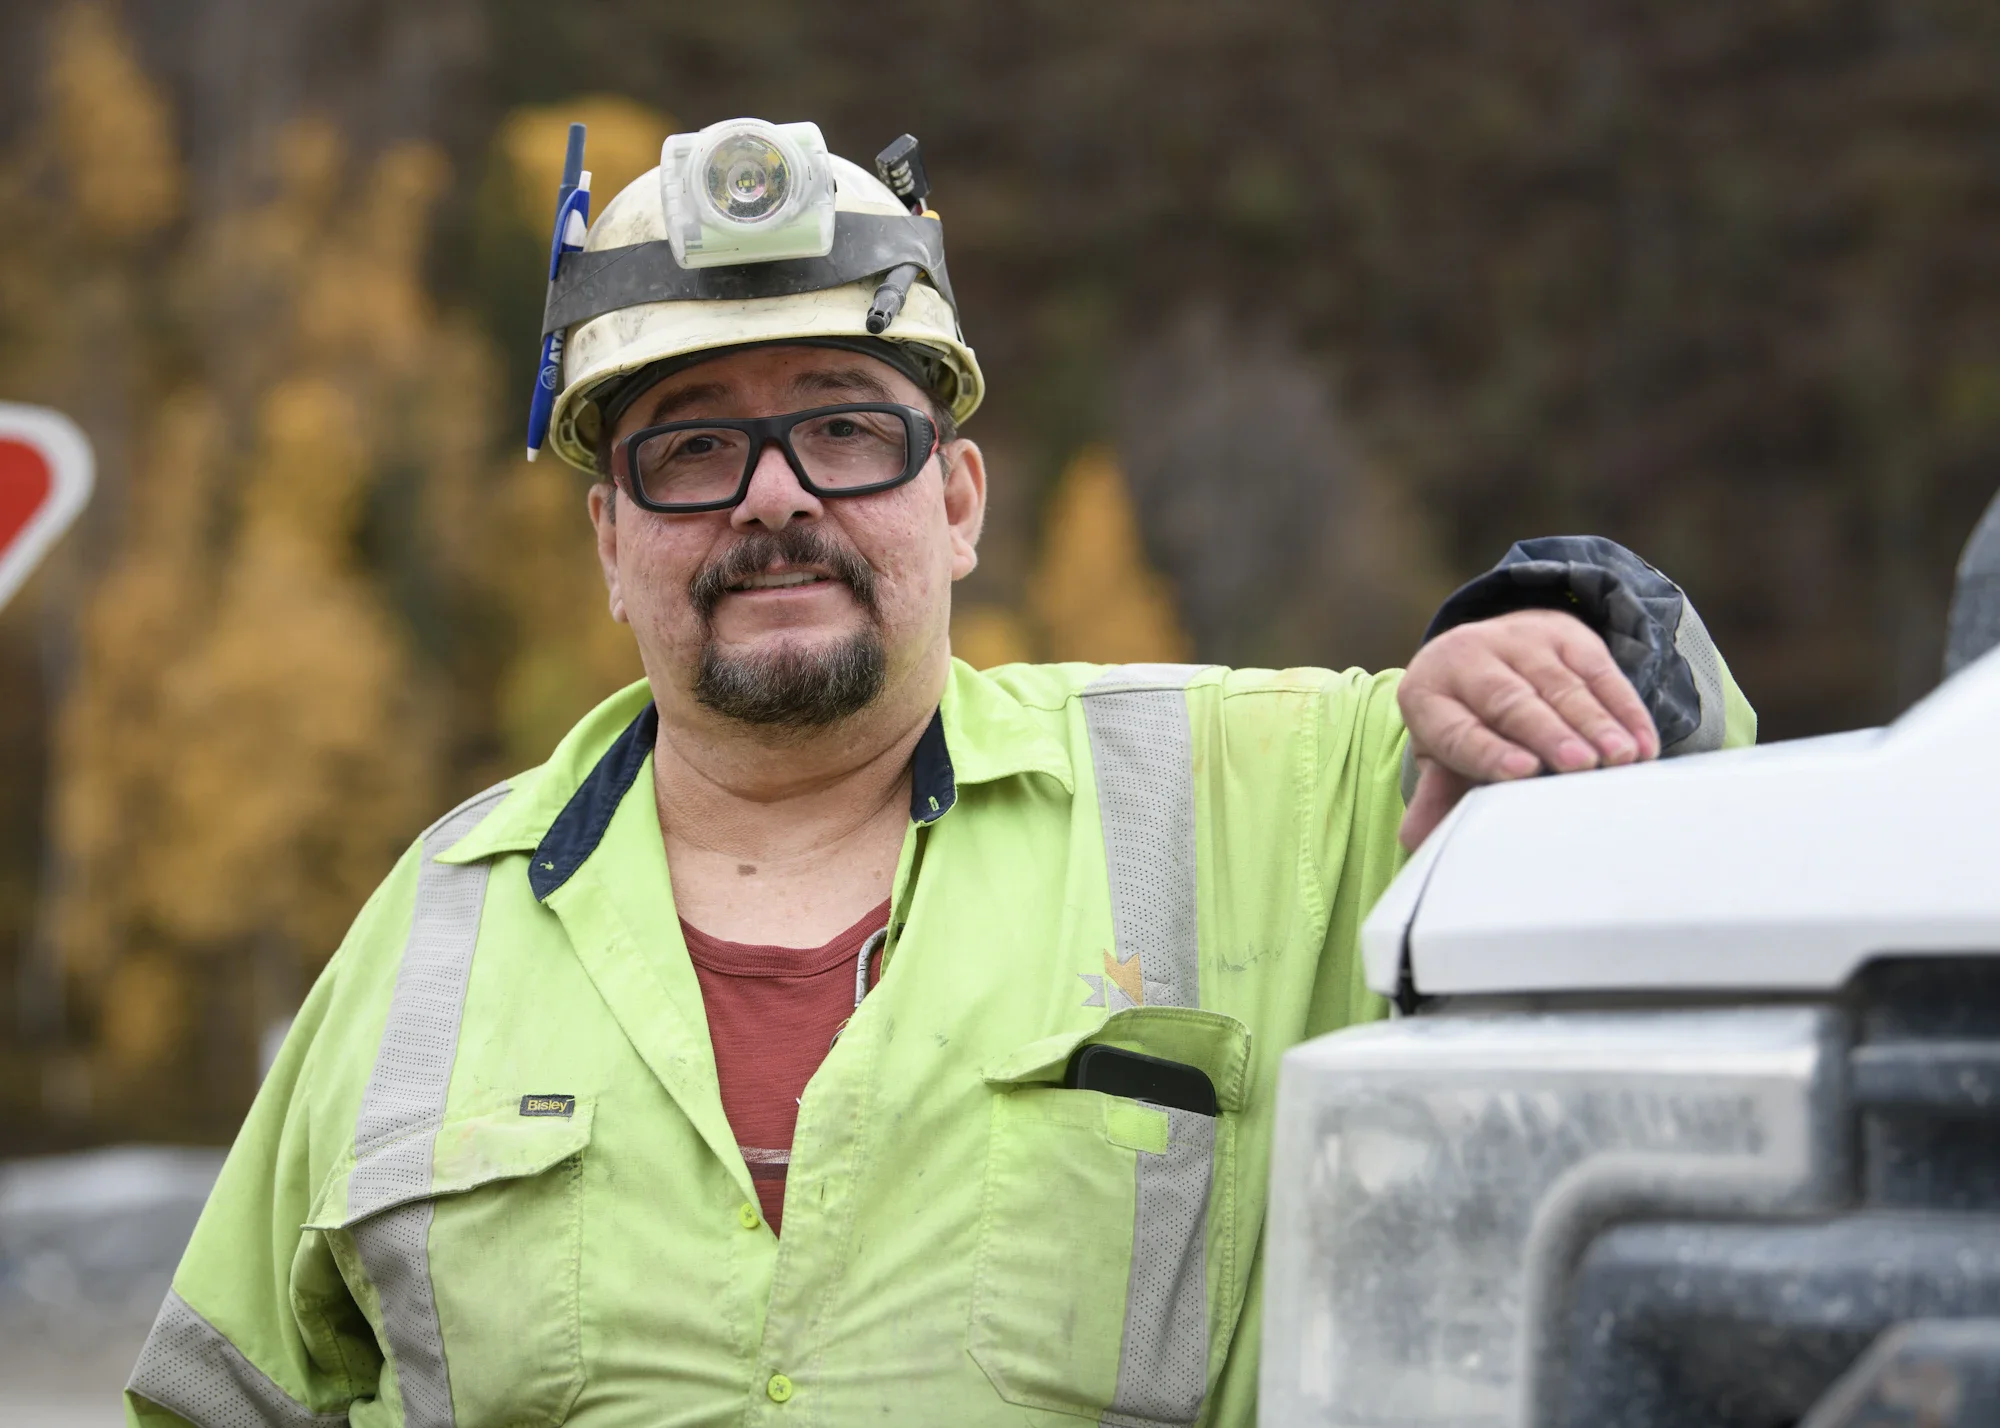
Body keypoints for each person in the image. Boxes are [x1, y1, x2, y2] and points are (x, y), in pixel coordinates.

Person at [126, 121, 1755, 1428]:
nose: (774, 500)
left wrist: (1546, 635)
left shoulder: (1259, 795)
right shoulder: (430, 930)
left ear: (959, 501)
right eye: (690, 448)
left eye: (846, 430)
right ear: (610, 540)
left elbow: (1685, 764)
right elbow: (214, 1400)